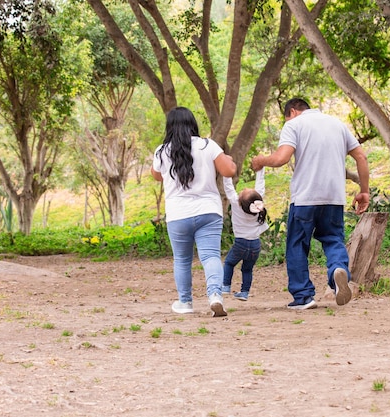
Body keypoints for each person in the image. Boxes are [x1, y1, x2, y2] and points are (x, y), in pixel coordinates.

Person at [251, 98, 370, 310]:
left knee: (297, 244)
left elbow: (281, 158)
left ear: (293, 112)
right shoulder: (337, 124)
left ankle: (303, 297)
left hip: (305, 198)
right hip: (334, 198)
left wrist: (261, 161)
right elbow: (361, 156)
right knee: (333, 239)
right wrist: (364, 191)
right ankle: (337, 273)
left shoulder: (294, 125)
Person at [151, 107, 236, 317]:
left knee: (181, 259)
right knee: (210, 256)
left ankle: (185, 302)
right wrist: (227, 160)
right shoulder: (207, 145)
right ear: (193, 124)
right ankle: (215, 296)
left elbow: (156, 175)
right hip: (208, 211)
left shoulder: (162, 151)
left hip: (178, 214)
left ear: (169, 126)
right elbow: (229, 171)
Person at [222, 168, 269, 301]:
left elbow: (228, 187)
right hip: (255, 245)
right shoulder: (258, 206)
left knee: (229, 263)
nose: (245, 188)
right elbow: (260, 184)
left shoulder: (236, 205)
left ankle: (225, 286)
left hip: (240, 244)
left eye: (243, 192)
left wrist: (226, 172)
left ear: (240, 201)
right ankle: (244, 292)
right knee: (247, 269)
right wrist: (261, 169)